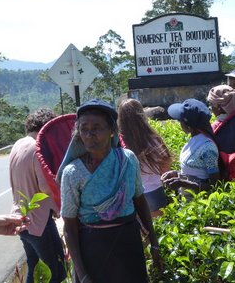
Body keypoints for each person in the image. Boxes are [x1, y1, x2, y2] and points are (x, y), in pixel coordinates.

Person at [58, 99, 162, 283]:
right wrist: (82, 275)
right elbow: (70, 226)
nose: (90, 134)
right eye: (84, 129)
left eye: (97, 128)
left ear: (112, 130)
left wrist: (154, 244)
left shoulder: (128, 160)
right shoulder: (73, 173)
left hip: (128, 244)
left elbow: (140, 201)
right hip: (93, 250)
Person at [9, 108, 66, 283]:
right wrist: (60, 206)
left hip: (21, 217)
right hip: (39, 222)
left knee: (35, 268)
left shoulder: (18, 143)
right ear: (47, 128)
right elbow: (46, 188)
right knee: (55, 271)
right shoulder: (37, 148)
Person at [118, 98, 173, 218]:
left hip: (132, 197)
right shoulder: (153, 139)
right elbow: (166, 165)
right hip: (156, 193)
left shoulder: (119, 144)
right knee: (159, 231)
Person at [161, 98, 221, 196]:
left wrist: (183, 183)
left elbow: (214, 186)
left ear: (188, 126)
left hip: (200, 205)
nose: (179, 123)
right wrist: (176, 174)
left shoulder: (208, 148)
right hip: (187, 200)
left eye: (180, 120)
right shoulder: (195, 140)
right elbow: (195, 172)